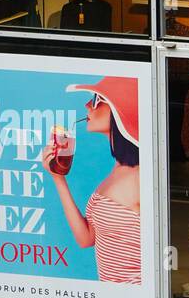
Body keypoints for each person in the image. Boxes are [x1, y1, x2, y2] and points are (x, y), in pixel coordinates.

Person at [40, 77, 142, 284]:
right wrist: (58, 178)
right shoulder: (119, 168)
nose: (87, 105)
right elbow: (86, 239)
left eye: (97, 99)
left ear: (120, 110)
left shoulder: (142, 176)